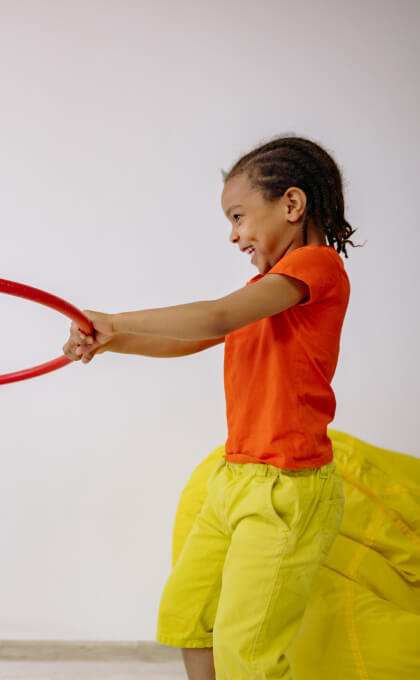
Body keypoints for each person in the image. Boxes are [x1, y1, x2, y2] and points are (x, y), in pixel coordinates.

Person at [63, 136, 357, 679]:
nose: (233, 234)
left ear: (292, 205)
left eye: (239, 216)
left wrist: (117, 319)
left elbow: (215, 317)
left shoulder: (317, 268)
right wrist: (112, 340)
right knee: (188, 616)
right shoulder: (265, 292)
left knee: (247, 648)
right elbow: (191, 339)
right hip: (236, 478)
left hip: (285, 488)